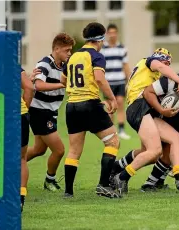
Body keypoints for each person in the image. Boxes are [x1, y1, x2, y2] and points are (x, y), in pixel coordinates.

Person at [112, 48, 179, 195]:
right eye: (166, 63)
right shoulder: (149, 62)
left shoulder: (153, 75)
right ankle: (121, 177)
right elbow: (160, 67)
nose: (166, 68)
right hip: (138, 105)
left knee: (173, 140)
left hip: (146, 108)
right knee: (155, 151)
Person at [62, 22, 120, 198]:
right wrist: (111, 98)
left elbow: (63, 79)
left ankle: (68, 192)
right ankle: (103, 185)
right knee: (113, 142)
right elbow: (100, 79)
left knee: (73, 151)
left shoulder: (73, 57)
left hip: (71, 106)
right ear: (100, 39)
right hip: (89, 104)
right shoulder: (96, 55)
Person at [26, 33, 75, 191]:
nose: (69, 53)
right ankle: (50, 180)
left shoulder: (64, 67)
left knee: (39, 150)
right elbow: (38, 85)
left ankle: (10, 166)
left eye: (70, 50)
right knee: (59, 150)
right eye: (67, 50)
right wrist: (62, 85)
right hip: (40, 111)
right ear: (57, 48)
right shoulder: (45, 63)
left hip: (50, 112)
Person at [100, 24, 132, 140]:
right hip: (108, 82)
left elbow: (126, 66)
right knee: (110, 106)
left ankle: (122, 130)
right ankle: (111, 131)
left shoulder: (122, 48)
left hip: (120, 81)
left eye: (115, 32)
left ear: (117, 33)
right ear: (107, 34)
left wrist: (129, 81)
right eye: (110, 32)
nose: (113, 35)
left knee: (120, 104)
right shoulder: (103, 49)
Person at [20, 68, 41, 211]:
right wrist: (24, 107)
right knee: (21, 159)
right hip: (19, 114)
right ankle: (20, 198)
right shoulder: (11, 62)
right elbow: (28, 86)